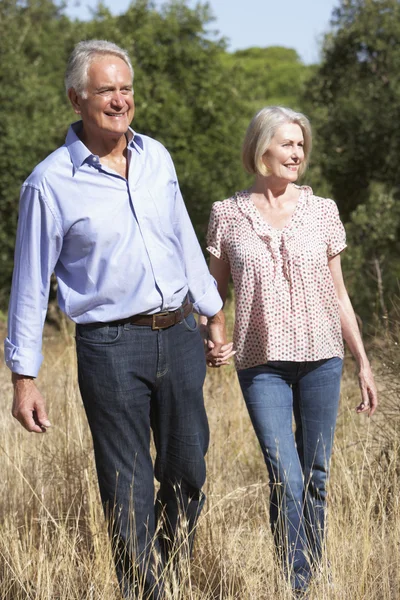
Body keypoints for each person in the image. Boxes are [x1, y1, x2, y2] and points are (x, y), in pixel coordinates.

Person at [4, 39, 232, 600]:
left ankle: (170, 574)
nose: (119, 99)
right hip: (108, 346)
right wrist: (23, 377)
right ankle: (145, 591)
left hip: (178, 332)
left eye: (125, 88)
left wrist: (212, 311)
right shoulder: (49, 182)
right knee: (126, 484)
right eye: (106, 89)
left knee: (188, 468)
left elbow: (181, 234)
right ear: (76, 98)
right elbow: (30, 284)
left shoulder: (158, 158)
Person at [203, 106, 378, 596]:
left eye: (301, 145)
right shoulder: (227, 214)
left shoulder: (323, 211)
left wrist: (362, 361)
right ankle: (295, 581)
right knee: (286, 473)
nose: (297, 153)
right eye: (287, 144)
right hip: (262, 364)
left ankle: (310, 577)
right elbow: (212, 294)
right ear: (261, 149)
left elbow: (340, 294)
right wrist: (214, 334)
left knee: (317, 473)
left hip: (323, 357)